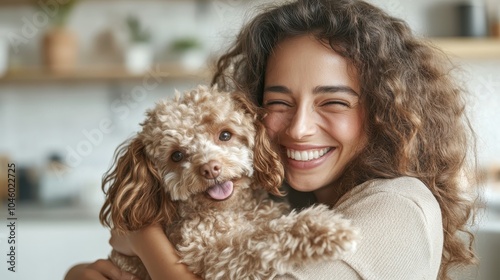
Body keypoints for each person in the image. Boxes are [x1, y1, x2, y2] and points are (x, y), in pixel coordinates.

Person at [65, 0, 480, 279]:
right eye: (279, 102)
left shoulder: (397, 205)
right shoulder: (286, 197)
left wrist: (144, 238)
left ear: (384, 111)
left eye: (333, 102)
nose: (298, 129)